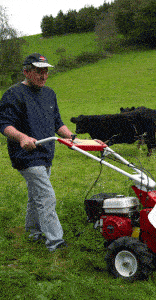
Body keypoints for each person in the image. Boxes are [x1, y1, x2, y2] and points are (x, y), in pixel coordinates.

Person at [0, 53, 74, 252]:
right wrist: (23, 137)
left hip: (46, 152)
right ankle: (56, 242)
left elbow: (57, 122)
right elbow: (5, 125)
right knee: (47, 196)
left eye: (46, 72)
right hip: (25, 155)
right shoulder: (13, 94)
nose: (43, 76)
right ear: (26, 72)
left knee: (36, 196)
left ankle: (33, 232)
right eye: (38, 72)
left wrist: (71, 137)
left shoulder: (49, 93)